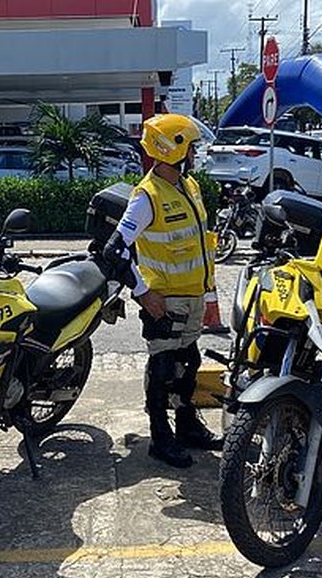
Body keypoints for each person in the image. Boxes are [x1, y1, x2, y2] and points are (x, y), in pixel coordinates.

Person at [104, 114, 223, 468]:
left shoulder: (190, 187)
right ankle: (160, 437)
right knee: (163, 367)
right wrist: (143, 293)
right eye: (191, 148)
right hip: (165, 301)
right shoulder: (148, 197)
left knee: (190, 363)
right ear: (174, 149)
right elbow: (115, 250)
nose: (195, 155)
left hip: (193, 298)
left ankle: (187, 426)